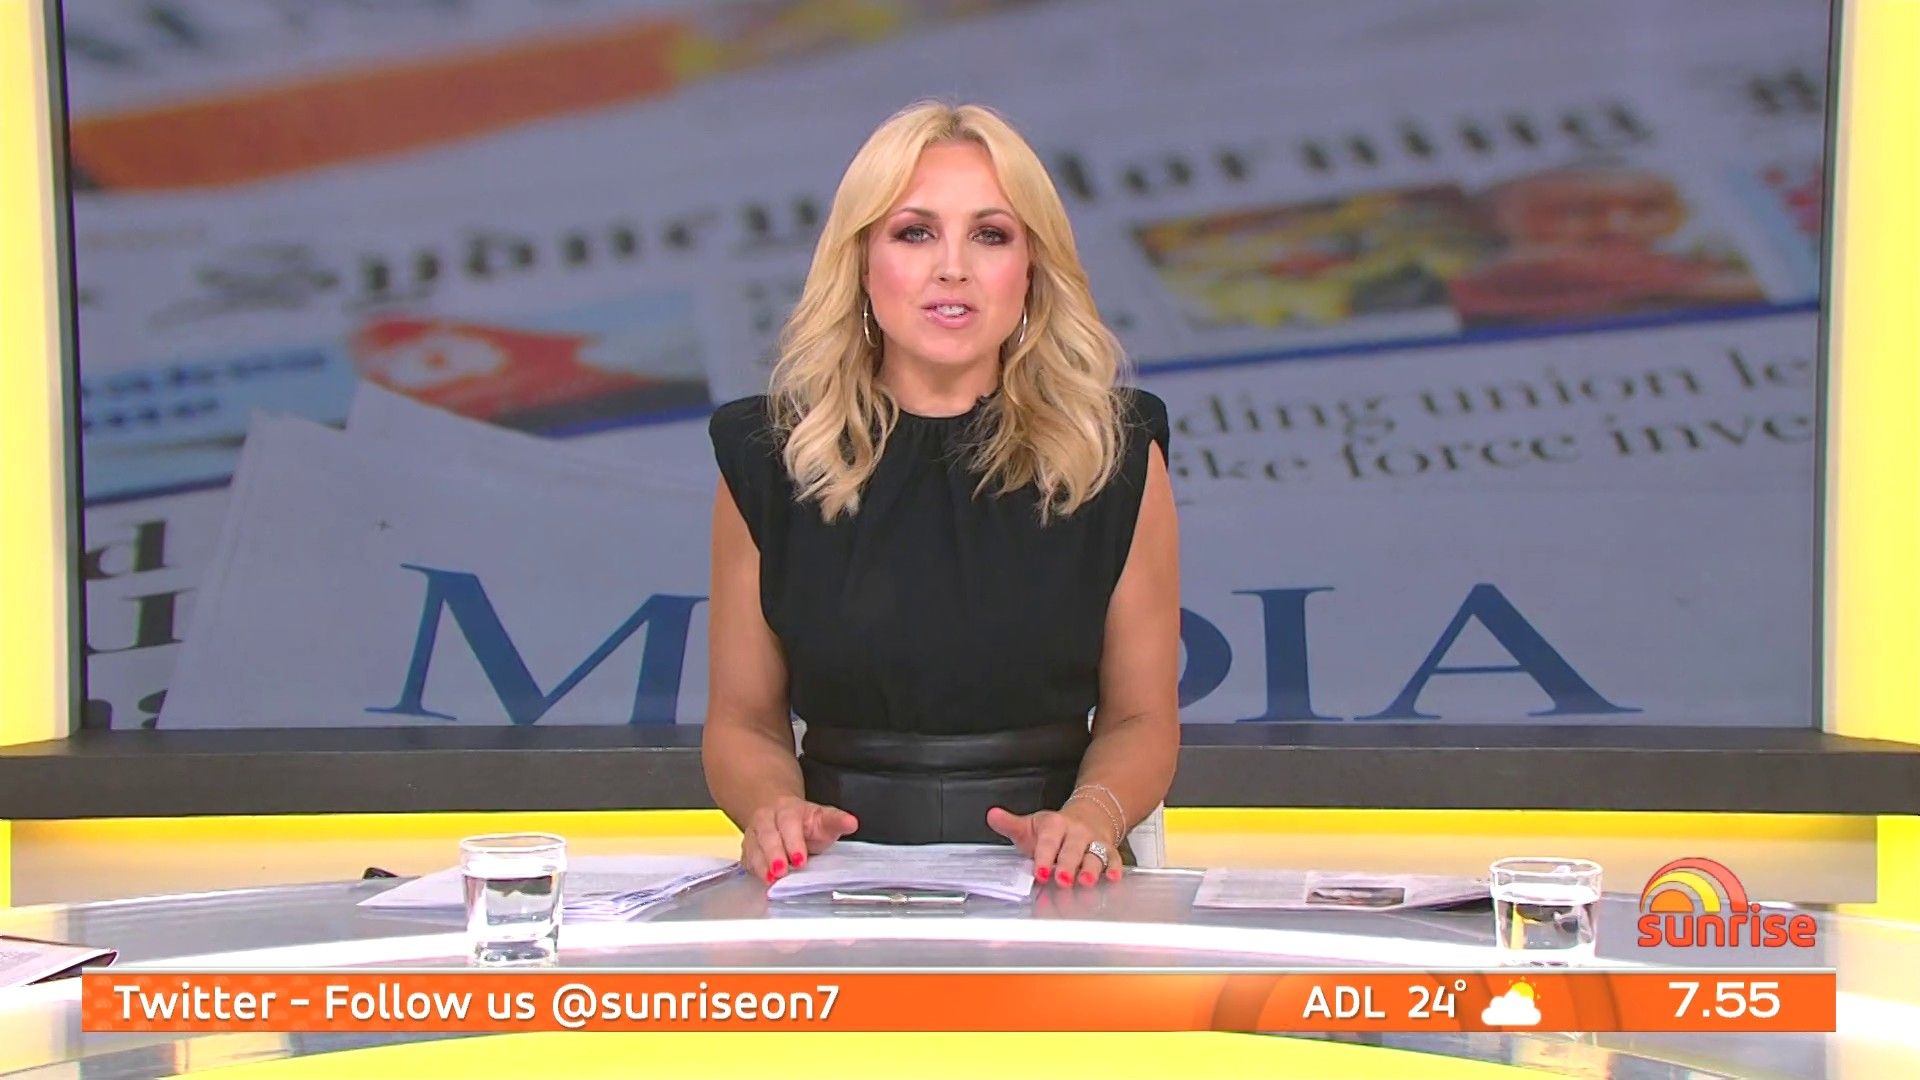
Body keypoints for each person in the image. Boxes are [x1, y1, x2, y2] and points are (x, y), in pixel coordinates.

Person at [703, 100, 1180, 892]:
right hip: (829, 885)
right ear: (861, 260)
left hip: (1050, 884)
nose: (951, 267)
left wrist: (1092, 817)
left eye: (990, 235)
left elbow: (1141, 720)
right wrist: (776, 810)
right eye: (914, 232)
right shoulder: (768, 453)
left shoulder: (1115, 449)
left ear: (1031, 268)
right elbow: (742, 722)